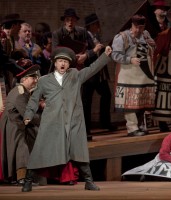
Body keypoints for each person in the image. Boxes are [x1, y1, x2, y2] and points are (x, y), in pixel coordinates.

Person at [21, 45, 112, 192]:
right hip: (52, 123)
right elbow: (34, 100)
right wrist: (28, 115)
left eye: (66, 61)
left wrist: (105, 56)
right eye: (60, 61)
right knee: (41, 152)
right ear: (55, 63)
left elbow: (92, 69)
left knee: (79, 152)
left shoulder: (75, 75)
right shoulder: (44, 81)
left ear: (69, 64)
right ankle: (28, 181)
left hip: (74, 121)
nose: (63, 63)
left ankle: (89, 182)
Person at [52, 8, 102, 140]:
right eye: (67, 20)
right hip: (65, 72)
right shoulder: (57, 34)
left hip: (80, 70)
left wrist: (86, 55)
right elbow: (55, 53)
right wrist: (73, 57)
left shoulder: (82, 32)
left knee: (83, 101)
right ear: (64, 21)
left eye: (72, 20)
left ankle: (84, 131)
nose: (70, 22)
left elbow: (92, 49)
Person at [111, 14, 156, 137]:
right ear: (132, 25)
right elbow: (115, 55)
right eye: (136, 27)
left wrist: (152, 45)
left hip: (143, 75)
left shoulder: (146, 35)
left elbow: (151, 52)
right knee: (129, 103)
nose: (138, 30)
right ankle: (132, 127)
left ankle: (141, 124)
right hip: (128, 75)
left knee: (141, 101)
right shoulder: (122, 37)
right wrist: (130, 59)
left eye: (141, 28)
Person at [0, 61, 40, 185]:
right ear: (25, 79)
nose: (35, 81)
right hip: (14, 125)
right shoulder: (20, 92)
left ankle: (21, 177)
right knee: (22, 147)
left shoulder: (21, 90)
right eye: (33, 78)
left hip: (15, 123)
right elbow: (28, 114)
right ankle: (22, 178)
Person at [84, 13, 115, 131]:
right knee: (87, 100)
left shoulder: (97, 36)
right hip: (89, 73)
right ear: (91, 25)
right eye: (96, 23)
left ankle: (105, 122)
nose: (98, 25)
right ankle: (86, 127)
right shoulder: (85, 36)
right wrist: (96, 49)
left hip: (99, 73)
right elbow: (86, 53)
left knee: (106, 94)